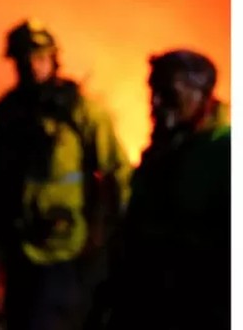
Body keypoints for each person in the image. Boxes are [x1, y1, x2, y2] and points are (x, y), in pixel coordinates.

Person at [0, 19, 131, 329]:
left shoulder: (81, 111)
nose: (32, 66)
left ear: (54, 59)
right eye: (24, 59)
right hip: (17, 246)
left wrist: (119, 234)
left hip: (64, 248)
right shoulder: (9, 114)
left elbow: (116, 171)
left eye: (39, 57)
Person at [86, 49, 230, 330]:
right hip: (142, 303)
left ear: (201, 95)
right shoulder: (163, 151)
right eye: (152, 91)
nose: (155, 102)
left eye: (168, 93)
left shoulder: (225, 153)